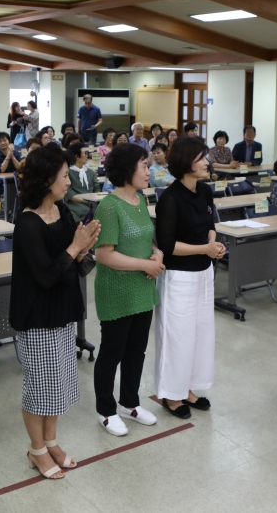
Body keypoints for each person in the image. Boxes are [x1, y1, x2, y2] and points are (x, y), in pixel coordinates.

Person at [10, 145, 100, 480]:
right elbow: (47, 274)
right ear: (45, 180)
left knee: (58, 383)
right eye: (63, 176)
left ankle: (51, 443)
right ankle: (36, 451)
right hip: (37, 316)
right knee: (39, 388)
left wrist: (84, 247)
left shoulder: (60, 209)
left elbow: (69, 259)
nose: (68, 182)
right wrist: (75, 247)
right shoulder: (27, 223)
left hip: (61, 310)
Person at [93, 144, 162, 436]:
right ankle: (105, 410)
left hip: (142, 288)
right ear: (127, 170)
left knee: (136, 350)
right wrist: (144, 265)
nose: (149, 171)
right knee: (112, 352)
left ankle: (129, 403)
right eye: (144, 166)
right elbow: (103, 254)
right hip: (117, 290)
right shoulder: (109, 206)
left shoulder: (140, 199)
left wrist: (156, 253)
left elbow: (146, 237)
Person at [153, 136, 222, 419]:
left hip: (204, 273)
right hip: (178, 277)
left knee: (200, 335)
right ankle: (171, 394)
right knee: (177, 337)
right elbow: (168, 246)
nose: (207, 162)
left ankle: (189, 388)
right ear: (185, 163)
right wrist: (205, 249)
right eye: (201, 158)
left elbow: (211, 225)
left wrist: (213, 244)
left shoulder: (204, 191)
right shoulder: (170, 198)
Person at [62, 142, 97, 223]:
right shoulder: (69, 172)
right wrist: (88, 202)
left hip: (92, 203)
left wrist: (94, 201)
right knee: (83, 212)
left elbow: (97, 188)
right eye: (84, 153)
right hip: (75, 204)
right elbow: (69, 194)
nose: (87, 155)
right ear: (76, 156)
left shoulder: (91, 172)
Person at [0, 132, 22, 198]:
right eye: (0, 141)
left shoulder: (16, 153)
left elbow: (19, 168)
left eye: (5, 140)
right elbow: (1, 170)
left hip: (15, 180)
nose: (3, 143)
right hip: (1, 183)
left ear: (8, 141)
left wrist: (12, 157)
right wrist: (8, 157)